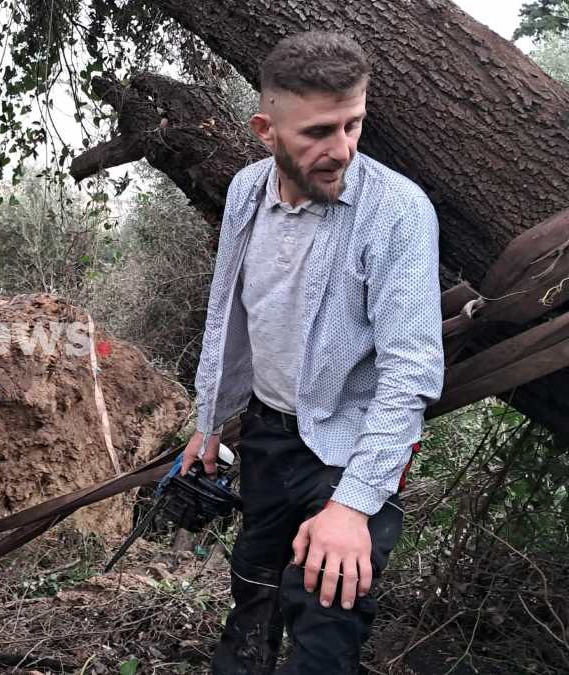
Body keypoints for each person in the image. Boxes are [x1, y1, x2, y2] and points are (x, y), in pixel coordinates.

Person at [178, 32, 444, 674]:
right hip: (267, 435)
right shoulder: (246, 192)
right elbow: (229, 314)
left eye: (353, 124)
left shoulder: (398, 211)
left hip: (349, 446)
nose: (342, 150)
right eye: (319, 132)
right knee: (253, 599)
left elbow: (410, 371)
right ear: (266, 130)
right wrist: (207, 423)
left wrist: (351, 506)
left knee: (326, 623)